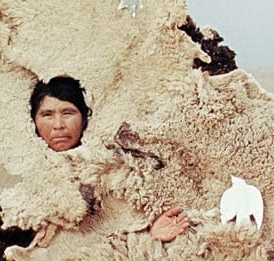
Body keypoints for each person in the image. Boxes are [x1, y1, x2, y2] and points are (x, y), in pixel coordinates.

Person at [28, 76, 190, 242]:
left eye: (68, 113)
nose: (58, 125)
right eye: (47, 115)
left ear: (84, 118)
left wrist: (150, 230)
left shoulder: (121, 168)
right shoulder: (27, 181)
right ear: (33, 121)